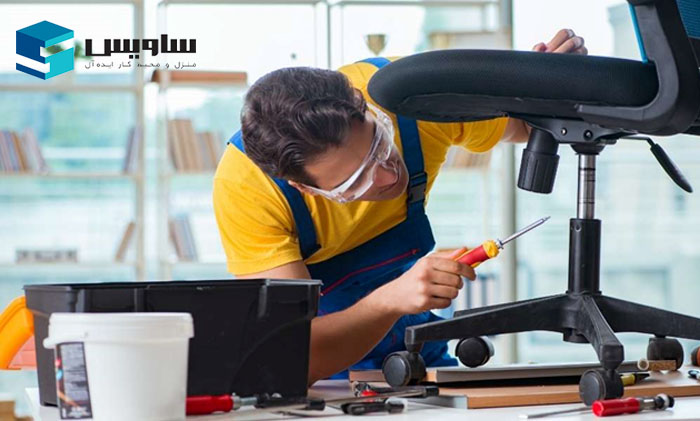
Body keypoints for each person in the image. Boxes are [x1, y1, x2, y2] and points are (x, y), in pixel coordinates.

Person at [213, 29, 588, 384]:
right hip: (328, 374)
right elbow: (292, 357)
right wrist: (391, 299)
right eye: (354, 182)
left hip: (417, 351)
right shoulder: (249, 190)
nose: (388, 177)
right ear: (303, 187)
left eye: (380, 145)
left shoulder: (410, 95)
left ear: (365, 107)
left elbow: (525, 125)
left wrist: (552, 81)